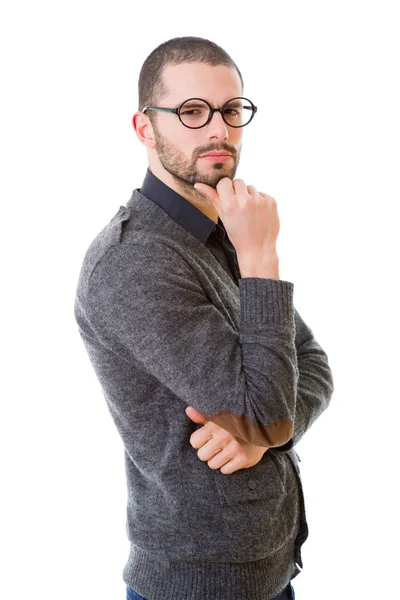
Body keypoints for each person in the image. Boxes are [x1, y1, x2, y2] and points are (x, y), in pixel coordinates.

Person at [74, 36, 334, 600]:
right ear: (145, 128)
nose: (218, 130)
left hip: (270, 570)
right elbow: (263, 409)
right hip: (196, 585)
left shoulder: (222, 228)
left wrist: (266, 438)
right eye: (191, 112)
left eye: (231, 110)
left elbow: (311, 363)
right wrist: (261, 259)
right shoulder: (135, 261)